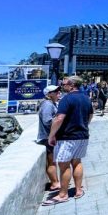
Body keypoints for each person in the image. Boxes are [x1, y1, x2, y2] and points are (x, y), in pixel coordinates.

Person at [44, 76, 93, 206]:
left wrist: (51, 135)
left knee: (64, 165)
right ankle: (78, 190)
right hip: (82, 135)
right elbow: (90, 115)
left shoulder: (66, 99)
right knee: (77, 162)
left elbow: (59, 118)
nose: (62, 86)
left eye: (64, 84)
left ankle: (63, 194)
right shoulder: (86, 98)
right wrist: (83, 126)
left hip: (67, 137)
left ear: (71, 85)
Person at [37, 85, 61, 192]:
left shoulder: (51, 104)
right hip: (48, 137)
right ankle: (54, 183)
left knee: (54, 161)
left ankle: (56, 181)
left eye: (58, 91)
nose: (59, 93)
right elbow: (47, 121)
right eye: (56, 92)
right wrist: (60, 121)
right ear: (49, 94)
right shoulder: (47, 105)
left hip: (51, 136)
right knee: (51, 162)